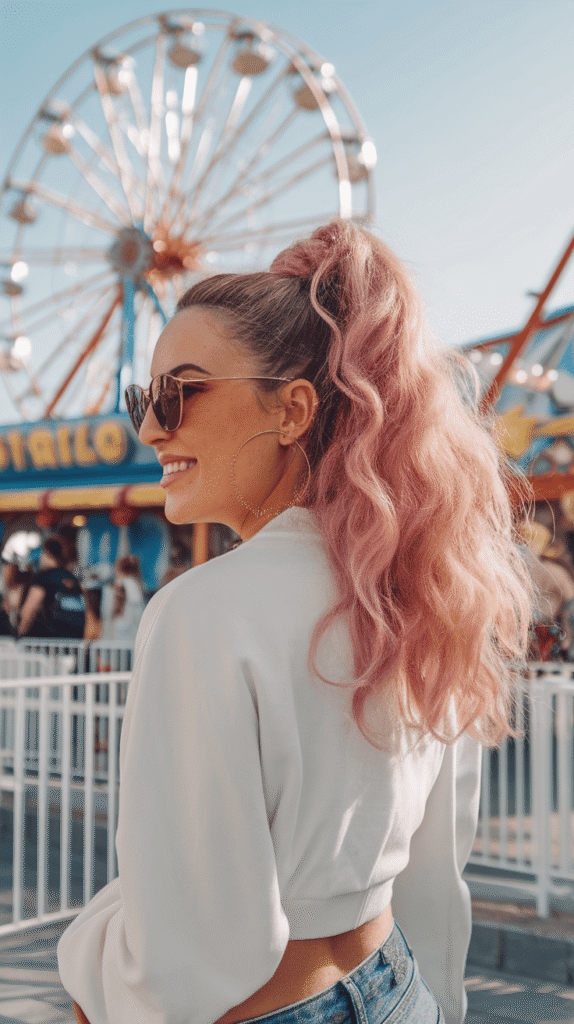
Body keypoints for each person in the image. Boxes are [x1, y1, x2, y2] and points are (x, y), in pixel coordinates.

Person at [57, 220, 536, 1024]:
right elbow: (435, 870)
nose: (150, 428)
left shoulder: (200, 612)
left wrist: (87, 955)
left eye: (178, 392)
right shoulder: (421, 590)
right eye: (145, 397)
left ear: (292, 410)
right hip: (399, 989)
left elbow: (180, 964)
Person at [17, 535, 86, 639]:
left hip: (49, 643)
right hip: (75, 643)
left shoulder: (43, 577)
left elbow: (30, 610)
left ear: (46, 553)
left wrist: (19, 634)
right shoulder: (72, 578)